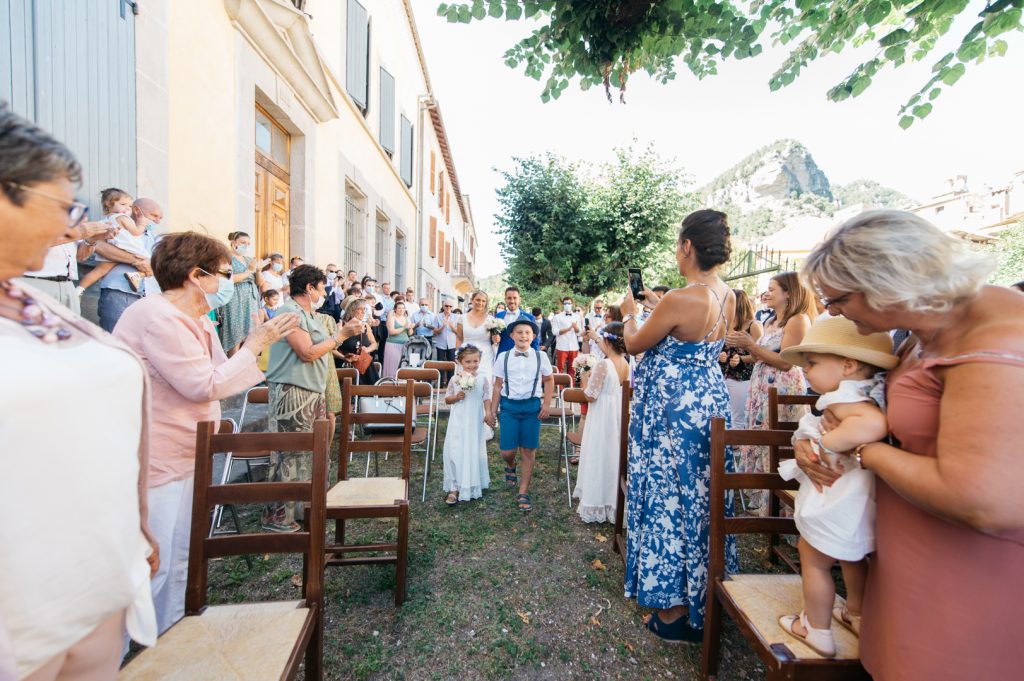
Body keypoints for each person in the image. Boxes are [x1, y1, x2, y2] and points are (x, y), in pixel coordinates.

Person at [794, 209, 1024, 680]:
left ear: (884, 282)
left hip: (965, 581)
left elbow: (981, 499)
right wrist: (812, 442)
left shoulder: (996, 339)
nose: (833, 312)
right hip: (909, 562)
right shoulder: (924, 333)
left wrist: (863, 453)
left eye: (836, 299)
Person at [0, 105, 161, 681]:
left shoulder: (34, 301)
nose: (74, 227)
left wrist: (134, 528)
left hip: (95, 590)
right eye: (62, 206)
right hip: (24, 617)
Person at [113, 231, 297, 634]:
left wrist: (255, 342)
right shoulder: (155, 317)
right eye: (224, 273)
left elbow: (222, 372)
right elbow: (201, 385)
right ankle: (146, 649)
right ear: (197, 275)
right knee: (157, 559)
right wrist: (253, 344)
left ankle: (176, 633)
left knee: (183, 554)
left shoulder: (196, 318)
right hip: (158, 453)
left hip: (191, 449)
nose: (227, 283)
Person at [620, 208, 737, 643]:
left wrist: (631, 312)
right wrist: (657, 305)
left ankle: (674, 611)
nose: (676, 251)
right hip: (709, 405)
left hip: (673, 415)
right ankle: (708, 598)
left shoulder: (681, 299)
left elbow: (634, 343)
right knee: (702, 501)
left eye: (677, 244)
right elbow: (690, 329)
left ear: (688, 246)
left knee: (670, 499)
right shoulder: (729, 296)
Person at [771, 316, 896, 657]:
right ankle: (855, 612)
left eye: (812, 363)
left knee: (814, 560)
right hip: (854, 497)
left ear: (848, 365)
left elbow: (872, 424)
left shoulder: (846, 398)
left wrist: (828, 444)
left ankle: (816, 627)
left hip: (838, 494)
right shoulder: (859, 392)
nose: (806, 370)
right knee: (852, 558)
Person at [261, 264, 362, 532]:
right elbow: (306, 352)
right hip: (292, 392)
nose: (324, 292)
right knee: (289, 453)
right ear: (309, 288)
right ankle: (278, 517)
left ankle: (306, 509)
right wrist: (340, 336)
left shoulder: (310, 315)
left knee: (308, 454)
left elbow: (320, 348)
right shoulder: (289, 313)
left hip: (311, 392)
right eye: (321, 288)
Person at [727, 271, 813, 510]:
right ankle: (763, 500)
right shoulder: (768, 321)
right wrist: (744, 348)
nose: (767, 293)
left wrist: (751, 344)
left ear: (788, 292)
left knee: (778, 442)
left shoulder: (798, 320)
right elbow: (759, 359)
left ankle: (782, 506)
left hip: (782, 386)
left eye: (772, 289)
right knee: (761, 439)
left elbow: (786, 362)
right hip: (761, 385)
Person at [486, 319, 554, 513]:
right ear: (512, 336)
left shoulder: (541, 356)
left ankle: (523, 491)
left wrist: (546, 403)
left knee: (528, 450)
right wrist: (492, 410)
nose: (524, 335)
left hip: (532, 407)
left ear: (533, 336)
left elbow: (549, 380)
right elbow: (498, 386)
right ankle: (510, 465)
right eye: (519, 332)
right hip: (509, 407)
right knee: (507, 451)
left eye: (527, 332)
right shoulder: (504, 357)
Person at [572, 322, 629, 523]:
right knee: (612, 455)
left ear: (606, 340)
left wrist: (584, 376)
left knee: (598, 453)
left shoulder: (603, 364)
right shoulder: (626, 363)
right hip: (617, 414)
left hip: (601, 415)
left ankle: (596, 500)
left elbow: (590, 396)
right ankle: (612, 501)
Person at [91, 199, 164, 332]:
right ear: (136, 210)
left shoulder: (157, 240)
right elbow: (98, 245)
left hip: (149, 297)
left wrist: (150, 266)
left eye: (160, 218)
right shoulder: (114, 229)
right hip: (119, 292)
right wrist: (136, 261)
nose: (158, 221)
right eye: (154, 216)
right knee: (115, 340)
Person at [442, 345, 493, 505]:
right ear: (460, 361)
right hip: (458, 420)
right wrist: (456, 397)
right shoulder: (455, 379)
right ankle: (454, 487)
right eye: (468, 361)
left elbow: (486, 397)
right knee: (455, 449)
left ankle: (471, 483)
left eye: (475, 361)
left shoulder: (483, 378)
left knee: (472, 450)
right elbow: (447, 399)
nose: (472, 365)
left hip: (474, 420)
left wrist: (488, 413)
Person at [74, 187, 148, 294]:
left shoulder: (104, 220)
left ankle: (79, 289)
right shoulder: (123, 217)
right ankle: (136, 275)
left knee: (99, 271)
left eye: (130, 206)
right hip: (128, 249)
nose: (127, 208)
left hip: (111, 249)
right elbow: (136, 232)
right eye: (123, 204)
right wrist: (142, 223)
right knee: (151, 263)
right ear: (108, 204)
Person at [719, 289, 763, 427]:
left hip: (742, 378)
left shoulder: (753, 326)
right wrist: (719, 355)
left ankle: (735, 448)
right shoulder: (723, 325)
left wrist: (741, 359)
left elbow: (760, 355)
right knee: (722, 415)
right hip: (722, 376)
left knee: (738, 418)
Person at [217, 231, 265, 356]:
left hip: (251, 299)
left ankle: (246, 367)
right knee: (235, 335)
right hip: (234, 299)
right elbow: (227, 279)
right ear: (233, 242)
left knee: (250, 335)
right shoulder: (225, 259)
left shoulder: (249, 259)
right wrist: (249, 271)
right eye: (243, 242)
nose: (246, 246)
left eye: (248, 243)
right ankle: (232, 368)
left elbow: (259, 283)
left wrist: (258, 270)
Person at [338, 298, 380, 384]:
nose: (363, 312)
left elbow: (374, 344)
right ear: (351, 310)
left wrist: (366, 350)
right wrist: (344, 357)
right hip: (347, 367)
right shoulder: (341, 325)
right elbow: (333, 348)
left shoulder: (365, 326)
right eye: (360, 309)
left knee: (370, 393)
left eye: (364, 309)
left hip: (365, 366)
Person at [458, 290, 496, 380]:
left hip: (486, 357)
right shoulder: (462, 318)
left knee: (485, 382)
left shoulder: (491, 319)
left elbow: (494, 339)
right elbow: (459, 339)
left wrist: (496, 339)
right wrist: (458, 356)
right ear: (472, 300)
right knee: (465, 383)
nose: (480, 303)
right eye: (478, 300)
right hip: (466, 355)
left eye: (483, 301)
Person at [495, 286, 539, 354]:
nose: (512, 301)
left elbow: (534, 340)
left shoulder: (529, 317)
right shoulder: (498, 316)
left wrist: (536, 356)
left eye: (515, 298)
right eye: (509, 298)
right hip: (503, 354)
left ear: (519, 299)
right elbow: (494, 336)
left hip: (522, 355)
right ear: (505, 300)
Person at [551, 296, 582, 374]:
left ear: (572, 304)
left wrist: (575, 328)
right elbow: (555, 332)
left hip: (574, 346)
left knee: (573, 368)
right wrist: (568, 329)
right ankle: (559, 386)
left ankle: (572, 385)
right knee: (560, 367)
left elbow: (579, 333)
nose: (567, 305)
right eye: (565, 303)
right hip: (562, 346)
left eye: (569, 303)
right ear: (563, 305)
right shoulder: (557, 317)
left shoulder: (577, 316)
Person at [383, 299, 414, 378]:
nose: (401, 310)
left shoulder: (406, 318)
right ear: (395, 309)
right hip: (393, 344)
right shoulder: (392, 318)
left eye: (403, 308)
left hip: (405, 345)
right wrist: (404, 327)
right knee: (393, 365)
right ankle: (391, 381)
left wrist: (410, 328)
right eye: (399, 308)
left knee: (403, 365)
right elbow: (391, 331)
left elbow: (410, 334)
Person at [433, 299, 460, 384]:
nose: (448, 308)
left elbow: (459, 332)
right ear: (443, 307)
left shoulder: (456, 317)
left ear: (452, 308)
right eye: (446, 306)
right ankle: (440, 384)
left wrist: (452, 327)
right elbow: (435, 331)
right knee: (440, 364)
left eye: (450, 306)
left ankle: (450, 383)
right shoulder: (438, 316)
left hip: (452, 344)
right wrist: (442, 327)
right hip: (441, 344)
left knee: (451, 365)